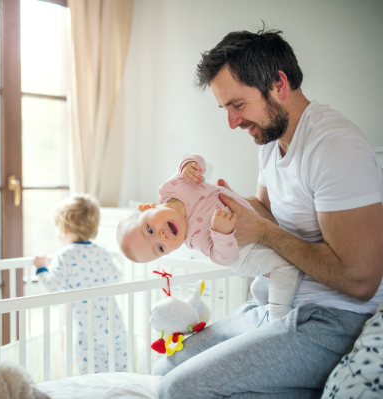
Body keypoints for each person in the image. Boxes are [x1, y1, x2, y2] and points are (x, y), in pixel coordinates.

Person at [151, 27, 383, 398]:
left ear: (279, 83)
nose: (231, 122)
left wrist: (260, 231)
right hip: (276, 304)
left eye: (238, 105)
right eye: (225, 108)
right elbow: (268, 213)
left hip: (330, 319)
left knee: (180, 389)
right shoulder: (271, 140)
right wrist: (219, 203)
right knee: (165, 366)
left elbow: (360, 280)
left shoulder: (335, 148)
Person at [117, 152, 303, 319]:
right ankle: (279, 317)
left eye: (149, 230)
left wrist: (189, 166)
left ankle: (262, 287)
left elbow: (193, 158)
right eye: (159, 248)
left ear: (146, 207)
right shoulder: (194, 238)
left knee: (276, 265)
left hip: (254, 223)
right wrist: (222, 233)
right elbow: (225, 258)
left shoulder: (171, 187)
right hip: (244, 253)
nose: (162, 236)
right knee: (287, 264)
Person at [34, 194, 128, 374]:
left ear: (64, 229)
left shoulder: (64, 255)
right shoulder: (101, 252)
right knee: (118, 371)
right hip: (114, 325)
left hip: (87, 329)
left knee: (91, 375)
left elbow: (53, 286)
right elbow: (116, 277)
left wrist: (42, 268)